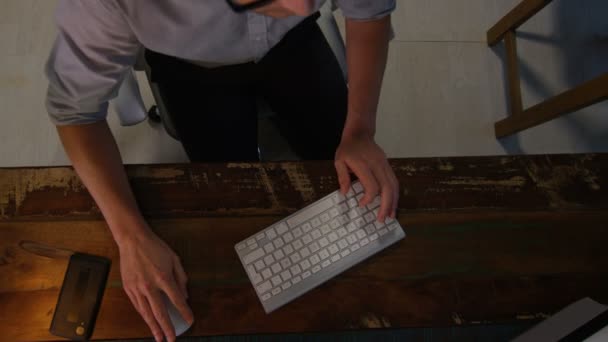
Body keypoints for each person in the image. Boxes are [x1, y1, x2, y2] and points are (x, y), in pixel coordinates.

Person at [45, 1, 398, 341]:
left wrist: (360, 130)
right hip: (191, 70)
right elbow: (75, 113)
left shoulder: (299, 9)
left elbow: (369, 12)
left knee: (339, 163)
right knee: (229, 198)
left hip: (294, 43)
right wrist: (131, 237)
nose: (304, 2)